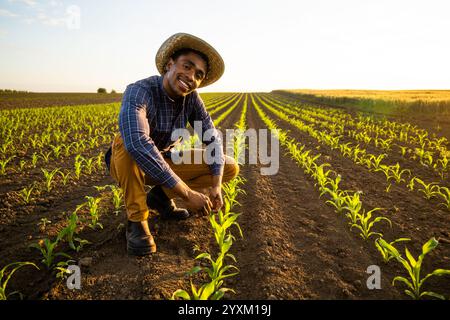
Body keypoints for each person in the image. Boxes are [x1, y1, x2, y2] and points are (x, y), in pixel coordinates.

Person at [104, 33, 239, 256]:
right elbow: (138, 142)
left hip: (164, 160)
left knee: (229, 165)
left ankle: (160, 198)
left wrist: (215, 185)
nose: (191, 77)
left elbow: (212, 139)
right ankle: (137, 221)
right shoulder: (139, 90)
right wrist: (186, 193)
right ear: (169, 64)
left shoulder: (192, 99)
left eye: (198, 75)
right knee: (127, 143)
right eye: (187, 66)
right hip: (128, 164)